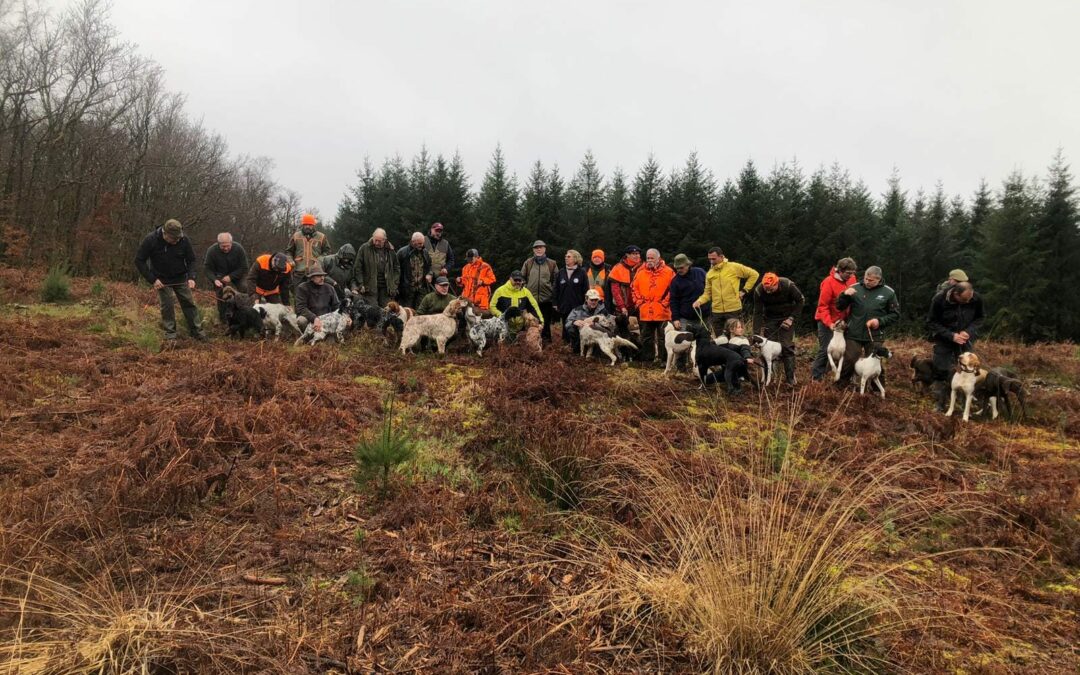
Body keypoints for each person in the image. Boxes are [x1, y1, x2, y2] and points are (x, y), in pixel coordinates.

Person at [134, 219, 207, 342]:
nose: (177, 241)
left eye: (178, 238)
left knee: (189, 303)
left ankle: (197, 332)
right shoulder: (151, 240)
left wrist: (191, 277)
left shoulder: (184, 240)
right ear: (165, 233)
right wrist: (153, 279)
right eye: (174, 239)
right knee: (167, 306)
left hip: (180, 277)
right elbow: (139, 260)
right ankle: (170, 334)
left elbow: (191, 260)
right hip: (161, 280)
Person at [835, 266, 901, 385]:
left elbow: (895, 315)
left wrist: (879, 321)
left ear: (879, 279)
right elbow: (839, 306)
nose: (867, 282)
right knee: (850, 359)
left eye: (871, 280)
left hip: (875, 334)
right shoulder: (854, 288)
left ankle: (877, 391)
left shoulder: (889, 292)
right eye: (866, 278)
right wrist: (844, 295)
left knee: (875, 361)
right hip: (854, 332)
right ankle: (841, 386)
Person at [926, 281, 985, 410]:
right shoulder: (939, 299)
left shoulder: (975, 298)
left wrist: (968, 332)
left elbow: (980, 319)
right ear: (956, 294)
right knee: (940, 371)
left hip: (964, 340)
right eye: (964, 300)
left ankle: (965, 406)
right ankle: (939, 404)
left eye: (969, 299)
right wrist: (951, 335)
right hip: (944, 339)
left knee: (968, 371)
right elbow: (931, 322)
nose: (967, 302)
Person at [752, 272, 805, 385]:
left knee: (786, 346)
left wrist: (791, 318)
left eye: (771, 289)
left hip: (787, 318)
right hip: (770, 319)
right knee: (766, 349)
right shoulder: (759, 290)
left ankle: (790, 379)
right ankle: (768, 379)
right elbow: (757, 312)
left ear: (776, 283)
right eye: (766, 289)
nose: (768, 292)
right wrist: (755, 333)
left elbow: (801, 301)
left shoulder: (788, 285)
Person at [693, 247, 759, 337]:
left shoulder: (734, 267)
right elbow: (707, 293)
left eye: (713, 259)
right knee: (720, 339)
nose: (711, 261)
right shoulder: (709, 274)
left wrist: (744, 290)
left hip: (733, 310)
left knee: (735, 338)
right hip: (716, 312)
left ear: (721, 257)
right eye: (709, 259)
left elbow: (754, 274)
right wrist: (699, 301)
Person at [811, 257, 858, 381]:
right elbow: (822, 306)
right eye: (848, 273)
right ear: (840, 271)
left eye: (853, 273)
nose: (851, 275)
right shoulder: (828, 282)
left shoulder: (852, 279)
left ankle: (843, 379)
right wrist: (829, 323)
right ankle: (816, 379)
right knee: (826, 349)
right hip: (827, 321)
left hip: (844, 322)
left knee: (848, 351)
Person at [631, 248, 676, 364]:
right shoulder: (640, 272)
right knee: (646, 337)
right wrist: (639, 302)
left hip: (663, 311)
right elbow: (634, 288)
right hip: (645, 310)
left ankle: (664, 361)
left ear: (658, 258)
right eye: (647, 258)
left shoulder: (669, 272)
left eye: (652, 258)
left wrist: (665, 303)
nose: (649, 260)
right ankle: (647, 360)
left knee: (664, 338)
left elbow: (674, 289)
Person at [203, 232, 248, 322]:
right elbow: (207, 269)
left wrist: (231, 277)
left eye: (228, 246)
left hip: (237, 274)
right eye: (223, 246)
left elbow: (244, 267)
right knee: (220, 293)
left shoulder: (239, 249)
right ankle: (224, 319)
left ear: (231, 243)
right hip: (220, 276)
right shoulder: (212, 251)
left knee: (244, 288)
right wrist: (214, 280)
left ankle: (244, 313)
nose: (226, 248)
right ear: (218, 244)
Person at [521, 240, 559, 342]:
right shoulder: (528, 263)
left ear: (545, 249)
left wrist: (552, 291)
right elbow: (521, 278)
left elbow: (556, 280)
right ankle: (531, 343)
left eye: (541, 247)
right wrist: (525, 289)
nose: (538, 249)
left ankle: (546, 344)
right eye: (536, 248)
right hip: (531, 299)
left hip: (546, 299)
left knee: (546, 323)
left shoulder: (552, 263)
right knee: (531, 323)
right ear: (533, 250)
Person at [355, 228, 399, 307]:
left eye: (380, 241)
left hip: (386, 288)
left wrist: (394, 284)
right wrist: (361, 284)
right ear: (373, 237)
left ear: (385, 240)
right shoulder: (364, 248)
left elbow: (397, 268)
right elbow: (358, 268)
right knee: (372, 311)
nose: (377, 243)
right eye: (375, 240)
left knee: (387, 311)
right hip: (370, 288)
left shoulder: (390, 250)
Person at [286, 213, 332, 287]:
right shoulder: (296, 236)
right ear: (303, 225)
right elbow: (288, 251)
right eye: (306, 224)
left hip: (315, 272)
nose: (308, 227)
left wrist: (320, 260)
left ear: (313, 225)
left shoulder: (321, 237)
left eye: (310, 225)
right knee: (298, 294)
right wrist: (290, 260)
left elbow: (327, 251)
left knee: (314, 294)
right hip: (299, 271)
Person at [554, 249, 589, 341]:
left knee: (577, 324)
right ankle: (565, 344)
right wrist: (555, 303)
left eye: (569, 256)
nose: (566, 258)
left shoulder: (582, 272)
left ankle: (576, 344)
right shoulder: (560, 272)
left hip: (577, 305)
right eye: (565, 256)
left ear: (575, 259)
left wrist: (585, 304)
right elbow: (556, 289)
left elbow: (586, 290)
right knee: (565, 323)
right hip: (564, 304)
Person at [294, 263, 340, 331]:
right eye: (319, 276)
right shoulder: (302, 288)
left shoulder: (329, 288)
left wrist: (345, 316)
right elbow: (301, 308)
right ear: (311, 277)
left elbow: (336, 306)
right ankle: (307, 336)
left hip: (326, 319)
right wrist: (314, 318)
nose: (322, 278)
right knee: (301, 321)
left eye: (323, 276)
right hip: (310, 318)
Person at [670, 253, 709, 331]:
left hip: (703, 316)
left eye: (681, 268)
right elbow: (674, 301)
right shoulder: (675, 281)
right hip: (685, 318)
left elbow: (710, 290)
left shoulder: (700, 272)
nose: (679, 270)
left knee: (703, 341)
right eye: (677, 268)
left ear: (688, 265)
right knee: (685, 342)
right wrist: (675, 318)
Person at [398, 232, 433, 309]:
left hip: (421, 288)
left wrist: (430, 274)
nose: (422, 245)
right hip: (407, 289)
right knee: (407, 311)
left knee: (420, 311)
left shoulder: (425, 252)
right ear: (413, 242)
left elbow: (430, 266)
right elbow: (396, 269)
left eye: (423, 243)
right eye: (420, 243)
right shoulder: (402, 252)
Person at [608, 245, 643, 317]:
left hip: (641, 307)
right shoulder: (617, 268)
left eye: (638, 254)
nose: (636, 256)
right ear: (627, 255)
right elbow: (615, 291)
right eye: (634, 254)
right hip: (623, 308)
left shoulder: (644, 267)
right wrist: (622, 307)